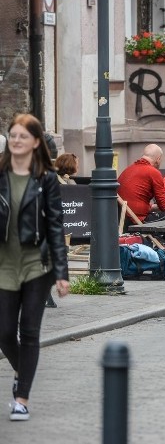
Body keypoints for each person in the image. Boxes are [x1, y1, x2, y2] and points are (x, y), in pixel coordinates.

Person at [0, 113, 70, 421]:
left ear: (36, 142)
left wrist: (62, 272)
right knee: (3, 333)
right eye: (13, 135)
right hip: (4, 264)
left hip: (35, 265)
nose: (16, 140)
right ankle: (23, 371)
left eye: (22, 136)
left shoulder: (46, 179)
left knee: (29, 331)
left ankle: (21, 398)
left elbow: (55, 225)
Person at [117, 144, 165, 225]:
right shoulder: (153, 172)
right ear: (158, 159)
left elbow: (137, 199)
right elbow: (164, 206)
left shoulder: (128, 169)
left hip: (122, 219)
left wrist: (155, 207)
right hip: (138, 220)